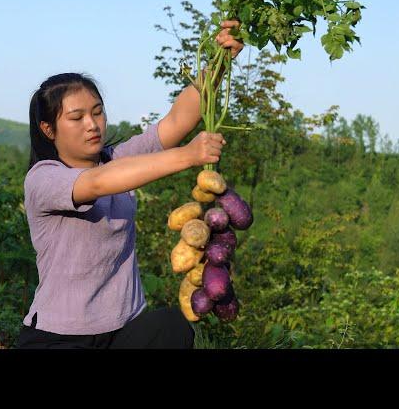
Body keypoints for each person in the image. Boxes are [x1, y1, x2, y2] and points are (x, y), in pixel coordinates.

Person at [14, 21, 244, 349]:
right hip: (59, 337)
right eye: (77, 118)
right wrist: (189, 155)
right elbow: (96, 183)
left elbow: (177, 122)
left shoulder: (116, 159)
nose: (92, 124)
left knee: (171, 327)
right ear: (49, 130)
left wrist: (221, 61)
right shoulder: (43, 178)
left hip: (123, 330)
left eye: (97, 112)